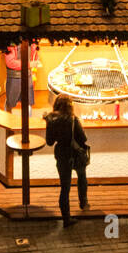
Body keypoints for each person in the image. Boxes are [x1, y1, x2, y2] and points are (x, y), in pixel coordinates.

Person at [43, 93, 89, 226]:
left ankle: (66, 218)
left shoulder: (51, 119)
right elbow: (83, 138)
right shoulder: (73, 119)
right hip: (76, 154)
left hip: (62, 155)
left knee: (65, 187)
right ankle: (83, 202)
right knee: (81, 176)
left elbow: (50, 142)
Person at [3, 41, 40, 111]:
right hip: (14, 77)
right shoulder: (11, 41)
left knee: (28, 103)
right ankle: (7, 120)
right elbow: (10, 62)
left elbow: (34, 53)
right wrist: (29, 64)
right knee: (10, 102)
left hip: (27, 75)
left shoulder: (31, 39)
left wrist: (35, 60)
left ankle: (28, 121)